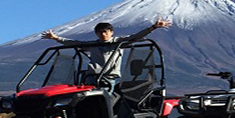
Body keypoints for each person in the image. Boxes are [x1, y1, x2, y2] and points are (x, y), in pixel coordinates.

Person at [42, 18, 172, 89]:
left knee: (106, 101)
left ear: (111, 32)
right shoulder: (94, 45)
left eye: (105, 31)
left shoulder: (118, 42)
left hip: (109, 79)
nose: (103, 34)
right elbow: (74, 43)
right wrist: (55, 38)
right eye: (100, 32)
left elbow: (135, 37)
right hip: (91, 78)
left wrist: (153, 27)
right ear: (96, 33)